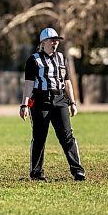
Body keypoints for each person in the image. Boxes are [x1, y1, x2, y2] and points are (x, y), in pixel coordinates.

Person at [19, 27, 86, 181]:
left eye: (57, 40)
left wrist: (73, 102)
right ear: (43, 43)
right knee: (39, 137)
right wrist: (24, 105)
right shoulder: (33, 60)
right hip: (40, 102)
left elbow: (67, 82)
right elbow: (28, 84)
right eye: (52, 40)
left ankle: (78, 171)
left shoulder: (62, 58)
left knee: (67, 136)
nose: (55, 43)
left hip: (60, 100)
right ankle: (36, 173)